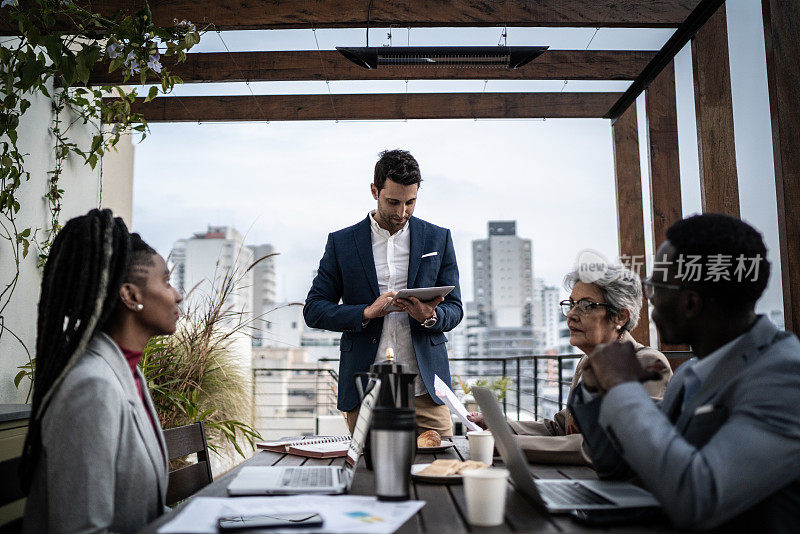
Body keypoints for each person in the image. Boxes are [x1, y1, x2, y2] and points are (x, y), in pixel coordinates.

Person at [569, 213, 800, 531]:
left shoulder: (786, 378)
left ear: (690, 303)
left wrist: (622, 387)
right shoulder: (692, 373)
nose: (649, 301)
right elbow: (617, 469)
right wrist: (596, 389)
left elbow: (699, 497)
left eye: (655, 288)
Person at [21, 209, 182, 533]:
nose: (177, 294)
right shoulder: (93, 386)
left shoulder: (126, 373)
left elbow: (142, 511)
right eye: (165, 280)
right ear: (130, 295)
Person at [305, 149, 463, 437]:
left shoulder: (439, 238)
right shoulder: (342, 243)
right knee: (366, 476)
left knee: (442, 469)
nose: (402, 212)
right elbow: (314, 309)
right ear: (374, 191)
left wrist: (430, 316)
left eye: (410, 202)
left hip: (427, 391)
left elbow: (455, 308)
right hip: (365, 390)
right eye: (393, 202)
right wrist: (365, 313)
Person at [468, 264, 671, 464]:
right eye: (572, 304)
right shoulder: (588, 361)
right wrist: (501, 426)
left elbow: (612, 446)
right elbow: (561, 428)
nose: (572, 314)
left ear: (620, 316)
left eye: (586, 305)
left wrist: (510, 444)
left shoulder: (646, 364)